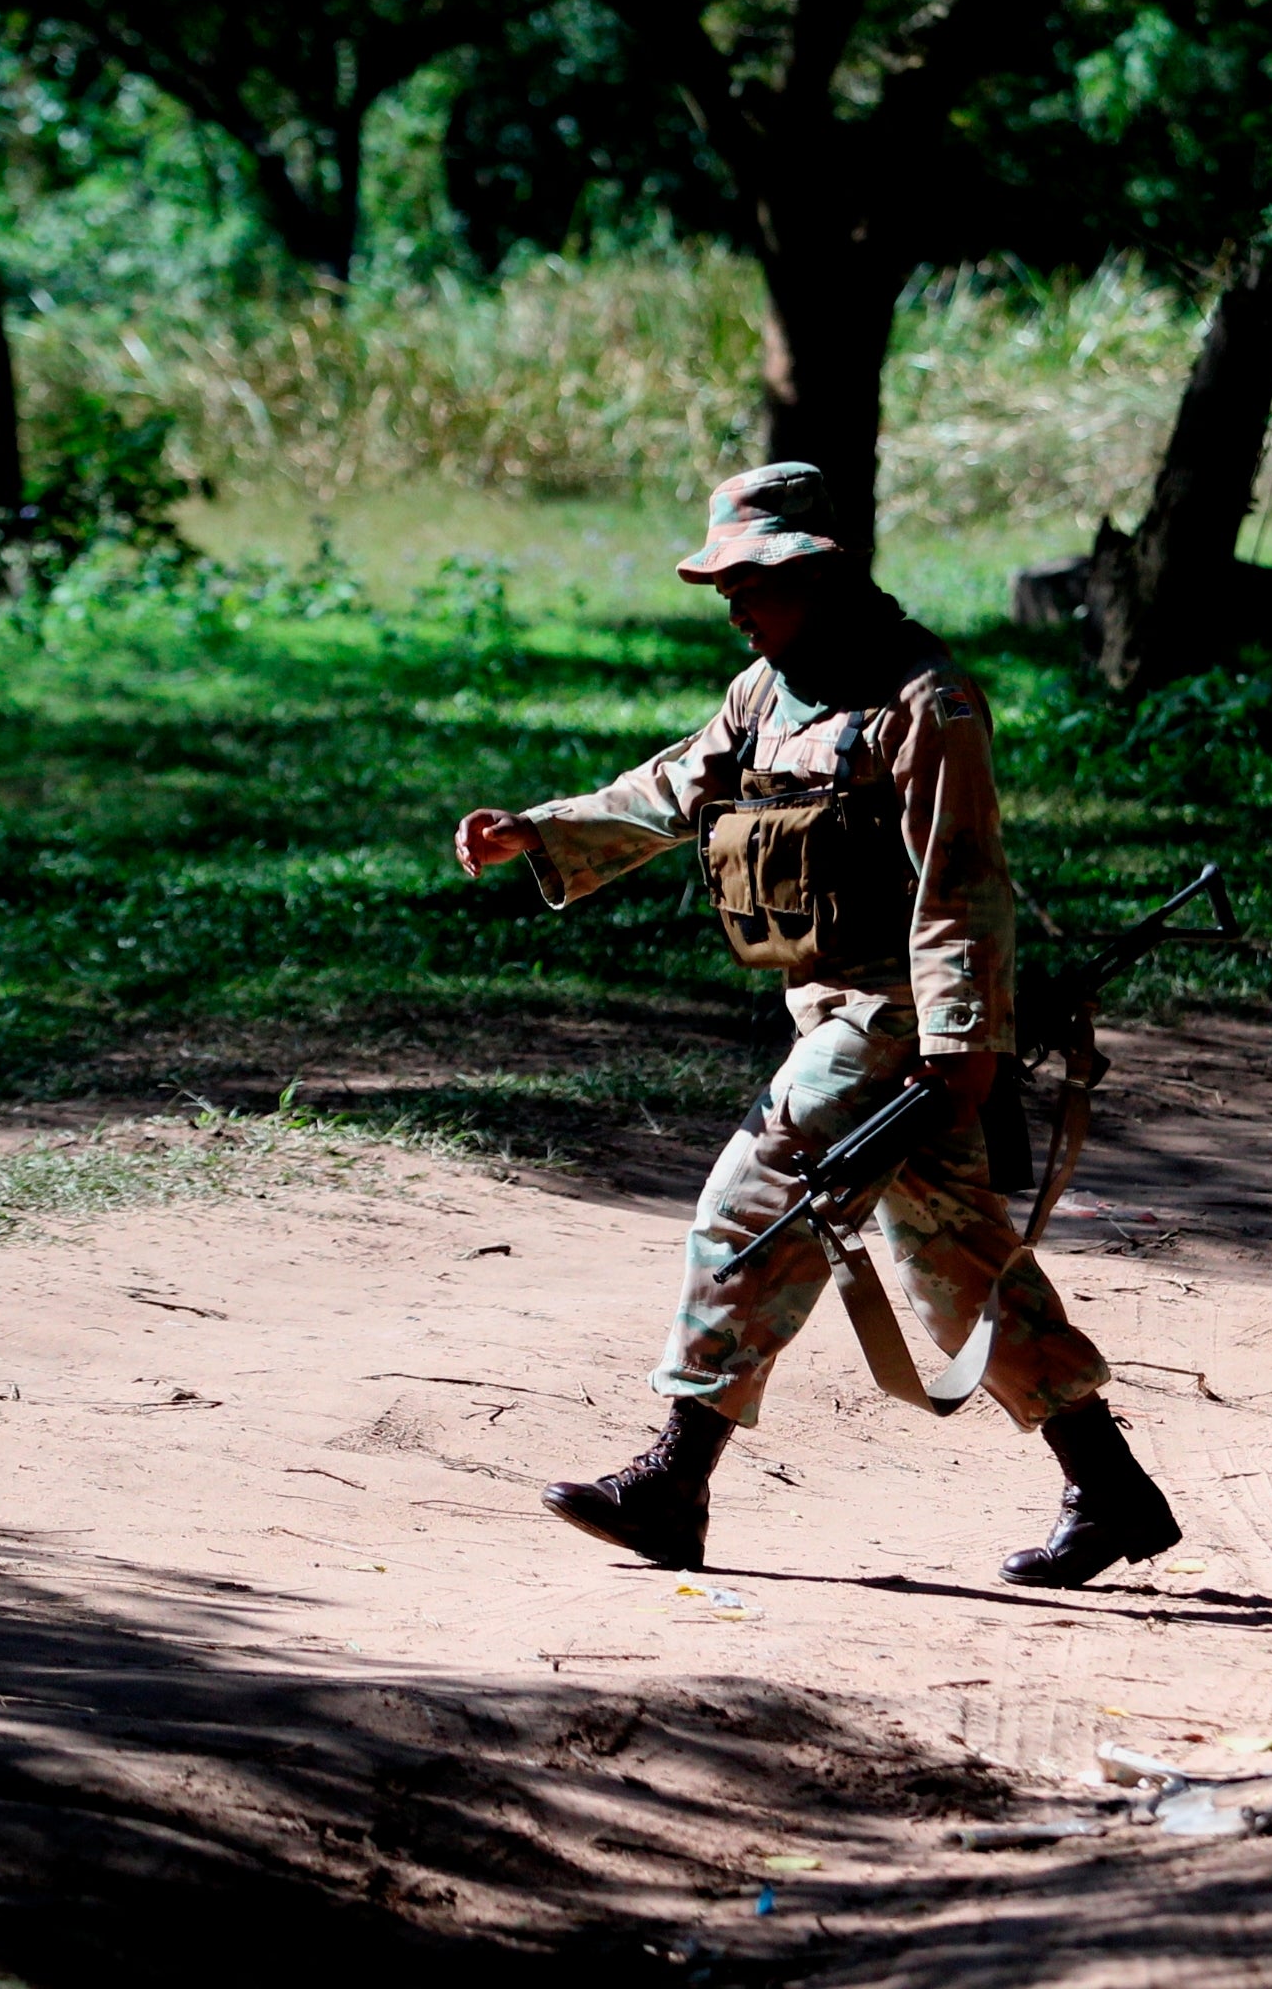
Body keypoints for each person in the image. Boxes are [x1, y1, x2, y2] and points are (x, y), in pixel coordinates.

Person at [453, 462, 1181, 1586]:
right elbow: (674, 786)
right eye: (722, 582)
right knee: (957, 1261)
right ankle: (1112, 1488)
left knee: (753, 1198)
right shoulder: (766, 689)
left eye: (748, 578)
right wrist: (536, 830)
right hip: (829, 1009)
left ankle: (674, 1478)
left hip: (896, 1021)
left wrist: (960, 1047)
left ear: (816, 568)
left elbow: (961, 882)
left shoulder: (925, 700)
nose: (731, 602)